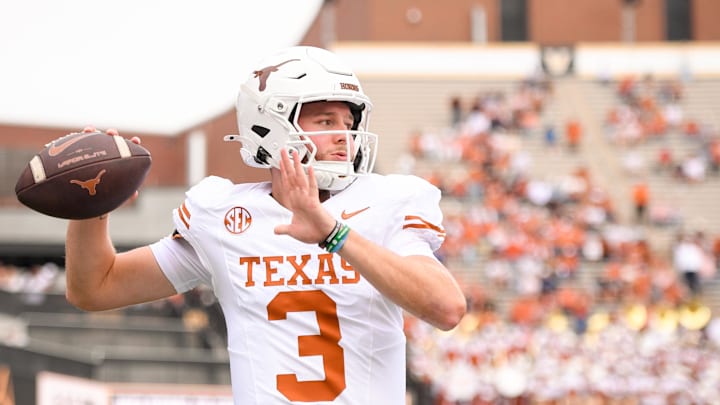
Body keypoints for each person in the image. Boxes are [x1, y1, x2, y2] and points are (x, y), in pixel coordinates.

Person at [64, 46, 467, 404]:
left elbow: (446, 308)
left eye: (348, 123)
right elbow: (96, 288)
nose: (345, 136)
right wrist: (91, 209)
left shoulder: (383, 204)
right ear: (269, 125)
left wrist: (332, 234)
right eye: (326, 121)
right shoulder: (224, 217)